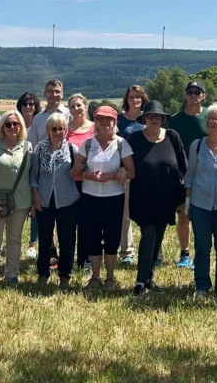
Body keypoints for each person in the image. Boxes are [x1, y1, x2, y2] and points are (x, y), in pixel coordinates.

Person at [128, 101, 187, 296]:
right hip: (143, 197)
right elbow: (126, 164)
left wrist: (186, 191)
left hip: (167, 196)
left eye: (157, 116)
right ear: (144, 118)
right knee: (149, 234)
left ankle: (149, 278)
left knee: (159, 234)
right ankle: (139, 282)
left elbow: (183, 165)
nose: (153, 119)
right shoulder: (135, 139)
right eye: (150, 116)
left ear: (163, 119)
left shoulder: (172, 136)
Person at [72, 106, 134, 289]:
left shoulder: (122, 144)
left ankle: (110, 278)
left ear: (115, 122)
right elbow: (76, 169)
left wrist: (113, 176)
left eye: (109, 119)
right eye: (100, 119)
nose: (105, 122)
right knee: (92, 236)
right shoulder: (88, 144)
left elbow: (132, 172)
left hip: (114, 197)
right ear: (96, 122)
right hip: (90, 197)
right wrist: (88, 175)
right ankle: (95, 277)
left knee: (112, 237)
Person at [184, 103, 217, 303]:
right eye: (209, 118)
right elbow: (190, 175)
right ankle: (202, 285)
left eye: (216, 118)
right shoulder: (197, 145)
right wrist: (187, 203)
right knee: (202, 246)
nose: (211, 122)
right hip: (199, 204)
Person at [0, 110, 32, 288]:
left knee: (14, 239)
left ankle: (12, 275)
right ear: (2, 127)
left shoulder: (28, 147)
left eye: (15, 124)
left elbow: (32, 176)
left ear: (21, 126)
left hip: (21, 202)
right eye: (8, 124)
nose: (12, 127)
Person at [31, 113, 80, 288]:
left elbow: (81, 168)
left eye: (61, 128)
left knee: (66, 239)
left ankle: (65, 274)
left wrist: (80, 168)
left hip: (67, 200)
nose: (58, 132)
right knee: (45, 239)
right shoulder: (39, 149)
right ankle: (43, 273)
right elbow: (33, 175)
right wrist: (35, 195)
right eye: (54, 129)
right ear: (48, 130)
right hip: (44, 199)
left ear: (66, 130)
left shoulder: (72, 149)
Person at [167, 81, 209, 269]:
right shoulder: (175, 120)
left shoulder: (210, 116)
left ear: (203, 96)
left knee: (203, 217)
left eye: (197, 92)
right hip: (182, 175)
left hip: (207, 174)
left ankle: (202, 253)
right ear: (185, 95)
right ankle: (185, 253)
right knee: (184, 215)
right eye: (190, 92)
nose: (193, 95)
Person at [117, 85, 149, 266]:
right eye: (131, 97)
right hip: (126, 172)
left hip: (146, 173)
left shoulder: (149, 118)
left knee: (149, 214)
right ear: (126, 99)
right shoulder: (119, 121)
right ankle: (127, 252)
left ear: (143, 99)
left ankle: (154, 252)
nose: (135, 100)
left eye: (138, 97)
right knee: (125, 215)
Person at [65, 93, 94, 271]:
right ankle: (68, 262)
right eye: (72, 106)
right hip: (68, 183)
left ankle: (85, 261)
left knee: (86, 223)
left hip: (89, 183)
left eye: (79, 105)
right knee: (69, 224)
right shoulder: (63, 129)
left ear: (86, 107)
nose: (76, 109)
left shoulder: (95, 128)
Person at [17, 92, 42, 259]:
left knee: (35, 208)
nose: (28, 107)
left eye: (31, 104)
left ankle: (33, 243)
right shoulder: (14, 124)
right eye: (25, 104)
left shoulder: (39, 125)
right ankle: (12, 241)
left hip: (36, 169)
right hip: (17, 171)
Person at [27, 79, 70, 149]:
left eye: (57, 91)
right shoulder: (37, 118)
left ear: (62, 94)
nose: (54, 95)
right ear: (45, 94)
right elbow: (31, 145)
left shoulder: (70, 115)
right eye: (50, 91)